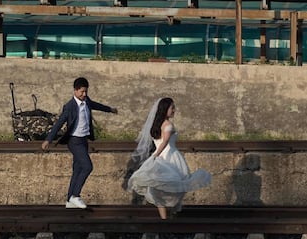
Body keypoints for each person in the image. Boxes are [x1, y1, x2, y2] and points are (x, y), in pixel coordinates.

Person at [128, 97, 211, 219]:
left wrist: (155, 155)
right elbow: (165, 142)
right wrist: (156, 155)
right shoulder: (168, 125)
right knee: (175, 186)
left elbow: (159, 141)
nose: (174, 110)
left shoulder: (155, 125)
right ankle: (171, 215)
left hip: (160, 155)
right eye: (172, 108)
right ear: (165, 109)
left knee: (158, 187)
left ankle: (165, 218)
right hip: (170, 157)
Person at [42, 77, 118, 209]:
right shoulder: (69, 107)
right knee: (87, 167)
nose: (84, 94)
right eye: (82, 92)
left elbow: (97, 105)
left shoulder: (87, 101)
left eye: (86, 92)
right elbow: (59, 123)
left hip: (83, 140)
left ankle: (69, 200)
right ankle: (75, 196)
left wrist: (110, 110)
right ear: (75, 91)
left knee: (77, 170)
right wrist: (48, 139)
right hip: (74, 141)